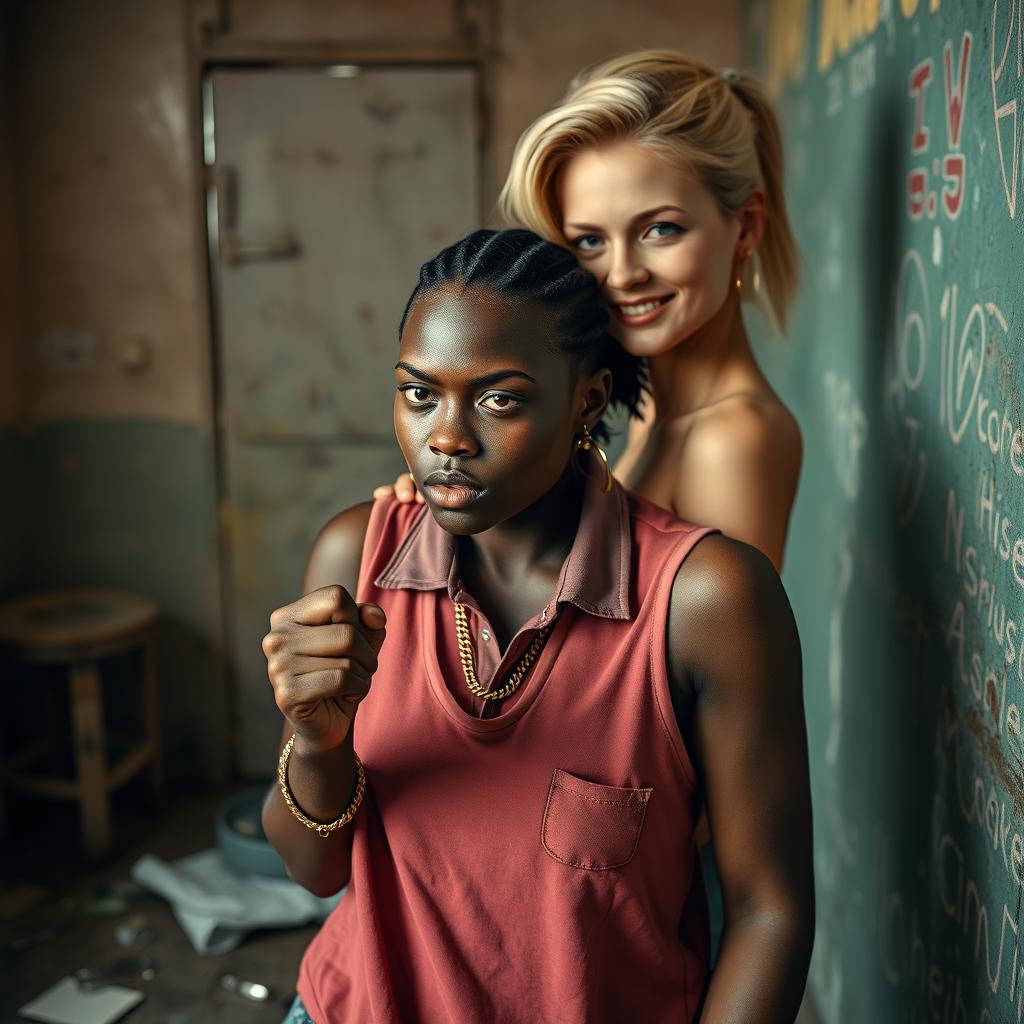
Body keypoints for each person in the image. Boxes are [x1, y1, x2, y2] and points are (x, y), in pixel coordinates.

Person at [263, 229, 813, 1023]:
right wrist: (316, 738)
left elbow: (771, 911)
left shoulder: (702, 600)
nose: (446, 438)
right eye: (419, 394)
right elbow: (314, 869)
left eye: (500, 399)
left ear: (586, 399)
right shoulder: (358, 555)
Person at [383, 50, 802, 572]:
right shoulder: (656, 407)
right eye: (590, 240)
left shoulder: (732, 437)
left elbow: (723, 643)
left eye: (661, 229)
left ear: (747, 226)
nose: (623, 273)